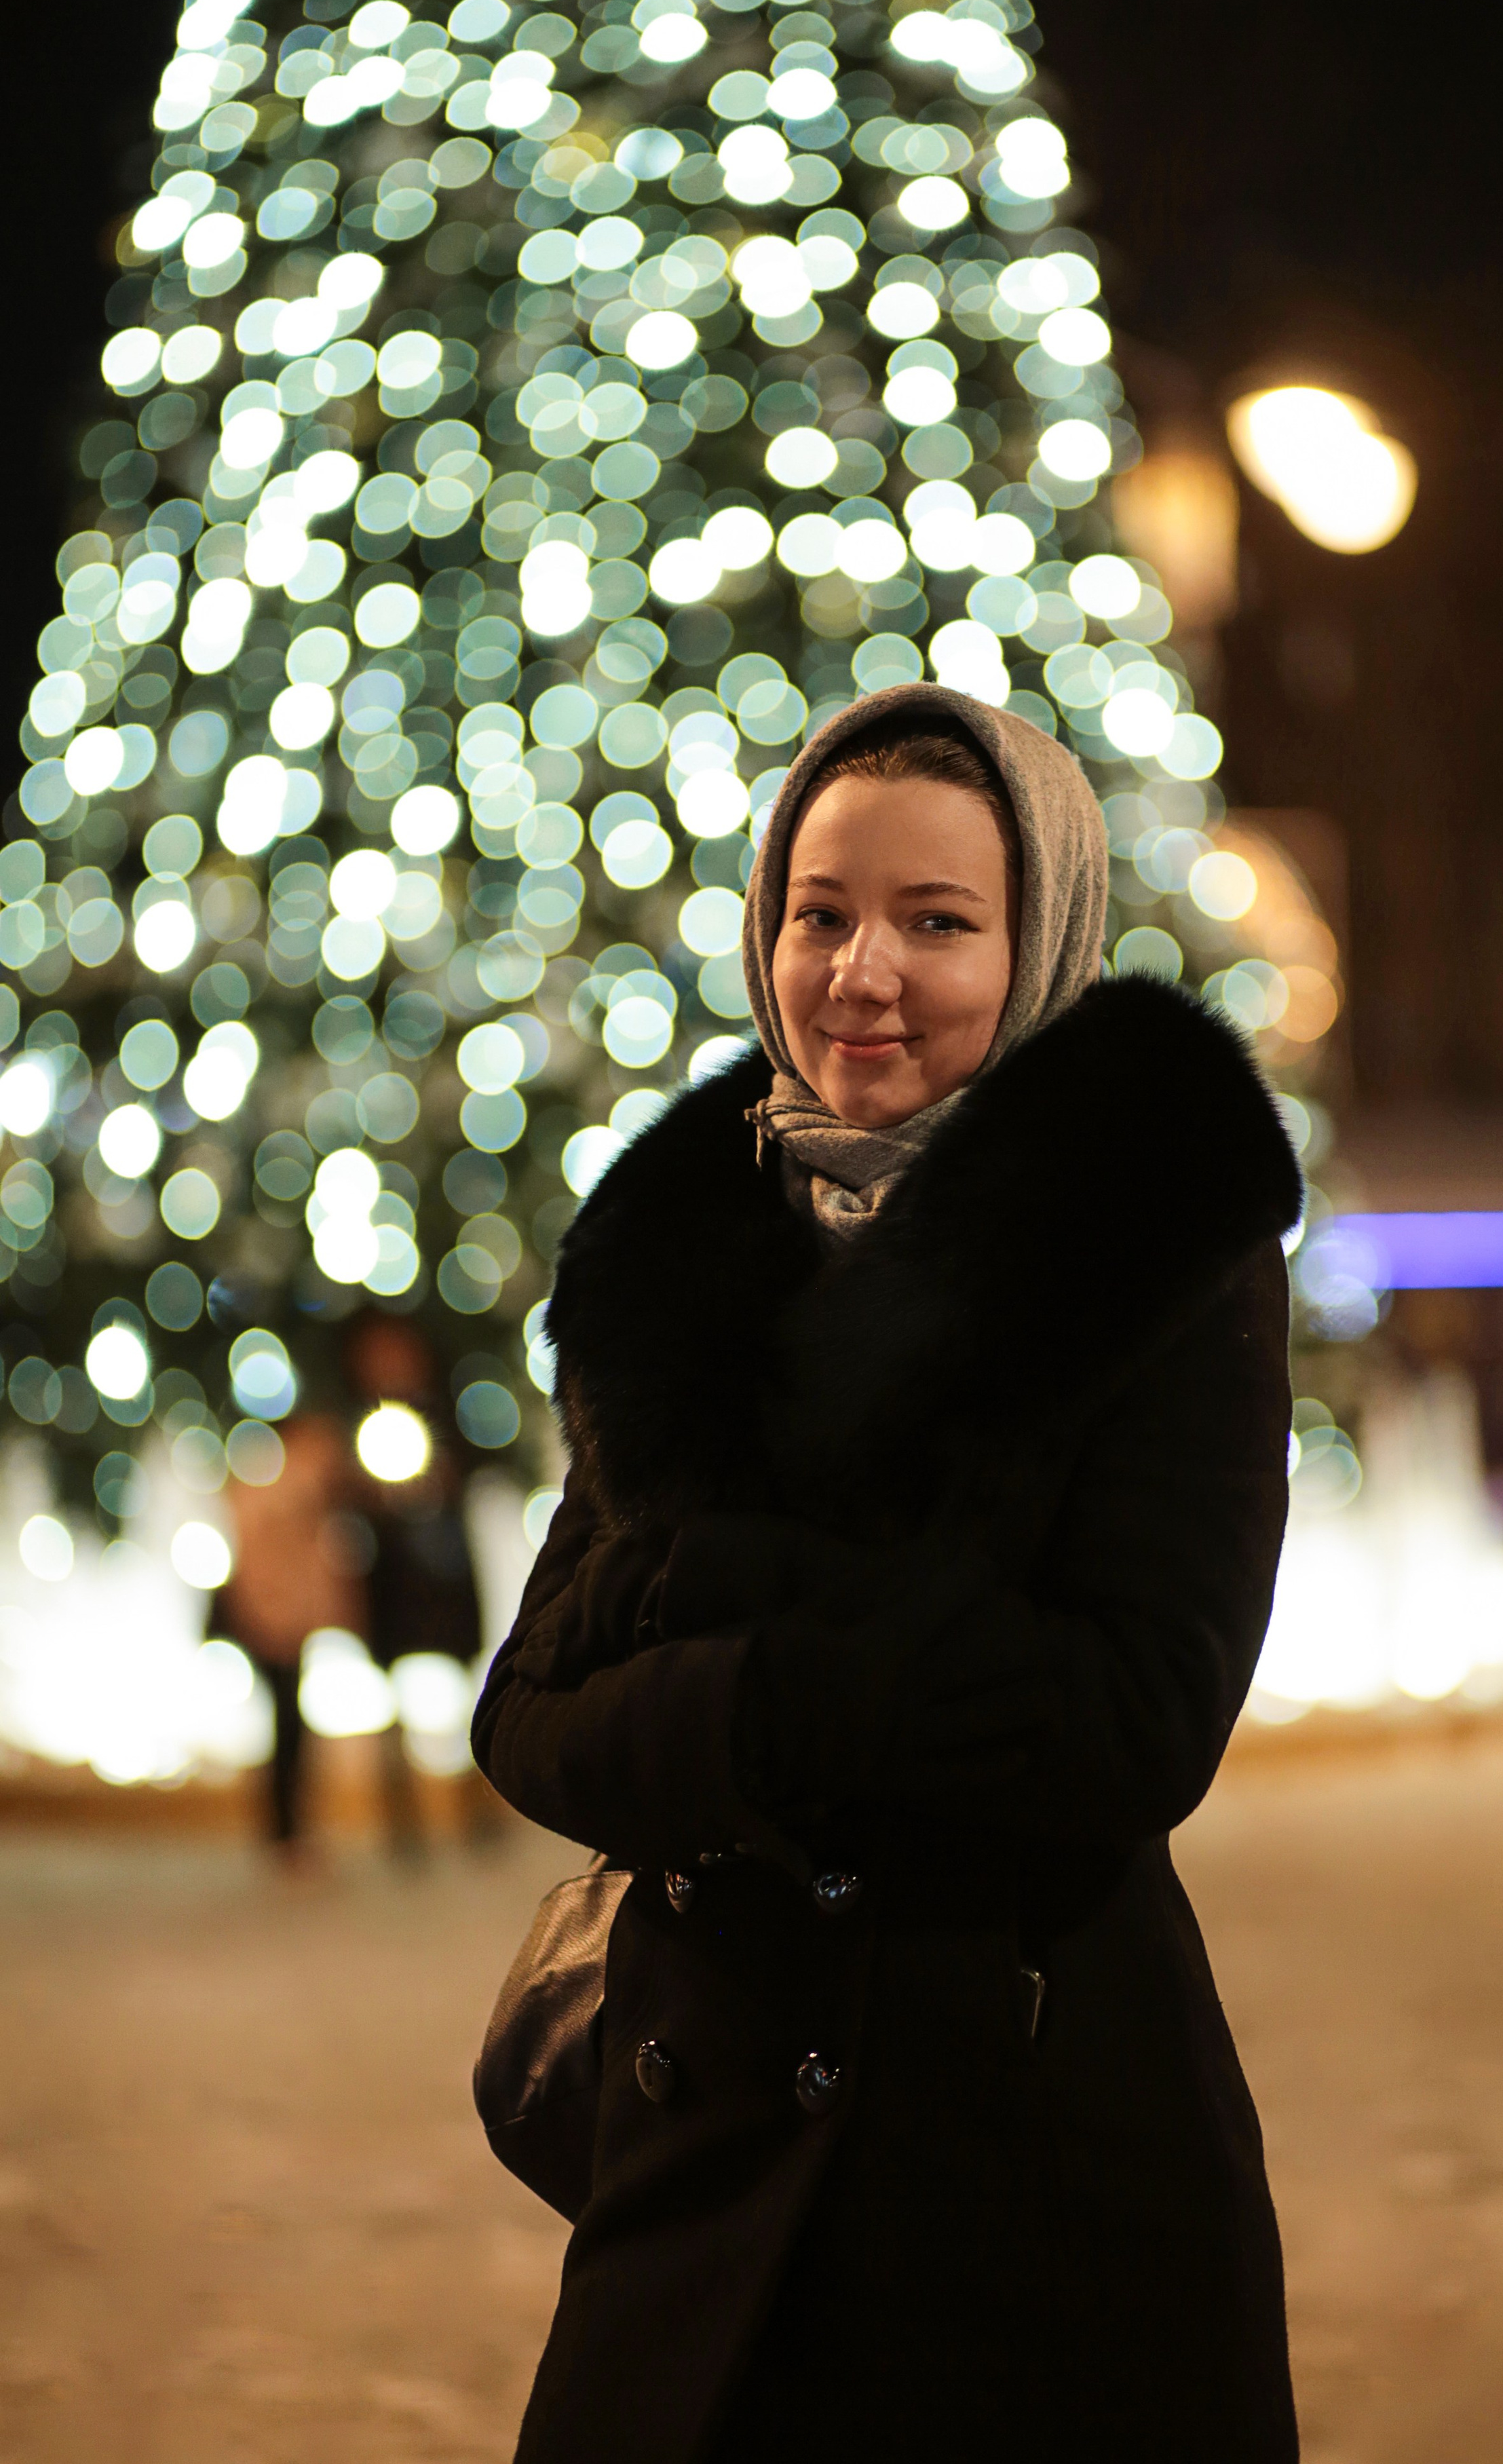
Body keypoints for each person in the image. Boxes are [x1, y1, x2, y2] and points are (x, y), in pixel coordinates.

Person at [473, 679, 1305, 2464]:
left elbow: (1135, 1726)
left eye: (940, 923)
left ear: (1043, 939)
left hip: (1033, 2180)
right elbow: (531, 1719)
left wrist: (724, 1642)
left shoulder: (1156, 1250)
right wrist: (787, 1688)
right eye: (820, 913)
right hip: (693, 2182)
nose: (863, 976)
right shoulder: (678, 1262)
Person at [345, 1311, 486, 1857]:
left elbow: (469, 1470)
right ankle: (400, 1819)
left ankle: (475, 1807)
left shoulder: (448, 1414)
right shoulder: (356, 1419)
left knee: (466, 1691)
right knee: (389, 1704)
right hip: (390, 1575)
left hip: (442, 1572)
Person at [217, 1411, 364, 1864]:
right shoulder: (273, 1494)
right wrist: (264, 1617)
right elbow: (257, 1566)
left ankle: (290, 1832)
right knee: (286, 1731)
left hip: (288, 1626)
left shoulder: (304, 1505)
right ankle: (284, 1834)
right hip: (272, 1627)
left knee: (292, 1729)